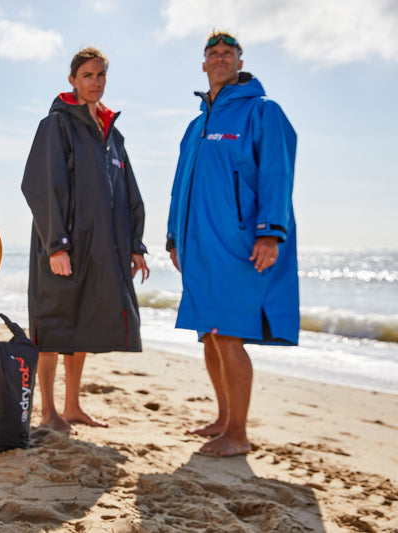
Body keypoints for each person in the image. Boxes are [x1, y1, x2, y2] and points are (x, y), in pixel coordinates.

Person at [166, 31, 299, 456]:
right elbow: (180, 186)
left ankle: (238, 434)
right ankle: (223, 419)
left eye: (228, 53)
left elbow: (277, 174)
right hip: (197, 246)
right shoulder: (196, 125)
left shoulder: (263, 112)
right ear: (203, 64)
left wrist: (269, 232)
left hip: (238, 244)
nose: (220, 58)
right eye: (213, 53)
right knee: (209, 333)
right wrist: (173, 236)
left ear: (240, 62)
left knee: (228, 336)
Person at [22, 47, 149, 435]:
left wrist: (135, 245)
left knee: (82, 325)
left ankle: (72, 406)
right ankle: (48, 413)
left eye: (101, 76)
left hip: (99, 248)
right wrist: (56, 244)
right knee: (53, 325)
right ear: (72, 80)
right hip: (60, 245)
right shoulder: (56, 125)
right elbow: (41, 186)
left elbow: (128, 192)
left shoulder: (112, 135)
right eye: (88, 76)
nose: (95, 82)